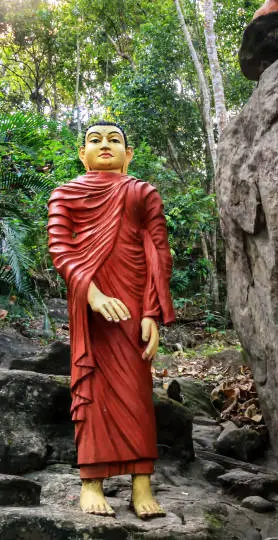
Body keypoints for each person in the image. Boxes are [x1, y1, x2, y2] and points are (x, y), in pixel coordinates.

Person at [47, 121, 175, 519]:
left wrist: (153, 312)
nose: (105, 145)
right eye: (95, 140)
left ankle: (141, 481)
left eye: (114, 140)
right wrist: (94, 294)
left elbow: (158, 252)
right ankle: (92, 481)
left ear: (129, 154)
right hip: (91, 306)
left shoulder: (141, 192)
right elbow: (60, 249)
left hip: (135, 302)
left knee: (138, 388)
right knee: (94, 389)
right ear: (81, 153)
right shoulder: (65, 194)